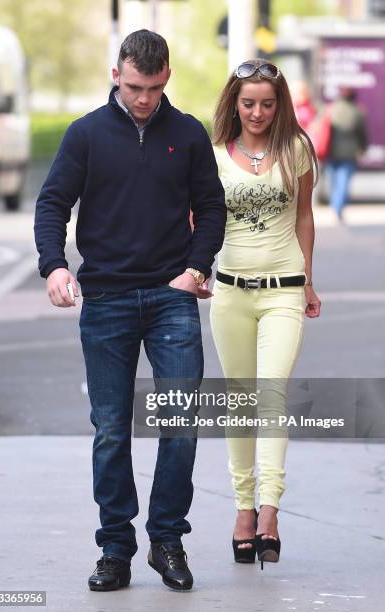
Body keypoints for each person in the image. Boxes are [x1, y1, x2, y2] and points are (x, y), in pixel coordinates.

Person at [34, 29, 226, 592]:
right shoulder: (87, 134)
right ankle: (115, 549)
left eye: (154, 86)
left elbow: (210, 208)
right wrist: (55, 265)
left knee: (180, 424)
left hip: (173, 297)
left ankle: (166, 541)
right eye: (135, 85)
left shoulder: (187, 134)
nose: (144, 98)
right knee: (112, 430)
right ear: (117, 73)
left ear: (167, 76)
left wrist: (196, 267)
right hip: (108, 299)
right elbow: (53, 202)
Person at [210, 59, 321, 569]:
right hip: (230, 292)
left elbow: (303, 215)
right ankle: (242, 509)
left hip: (284, 290)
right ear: (234, 102)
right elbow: (198, 219)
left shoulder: (296, 149)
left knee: (271, 395)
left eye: (267, 104)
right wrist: (194, 270)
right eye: (248, 102)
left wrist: (309, 281)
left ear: (280, 107)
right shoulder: (212, 156)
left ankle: (270, 512)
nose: (257, 112)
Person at [325, 87, 368, 221]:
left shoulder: (331, 109)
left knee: (332, 182)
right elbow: (363, 134)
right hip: (349, 153)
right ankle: (338, 208)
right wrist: (363, 149)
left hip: (330, 151)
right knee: (343, 183)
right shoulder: (358, 112)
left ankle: (335, 205)